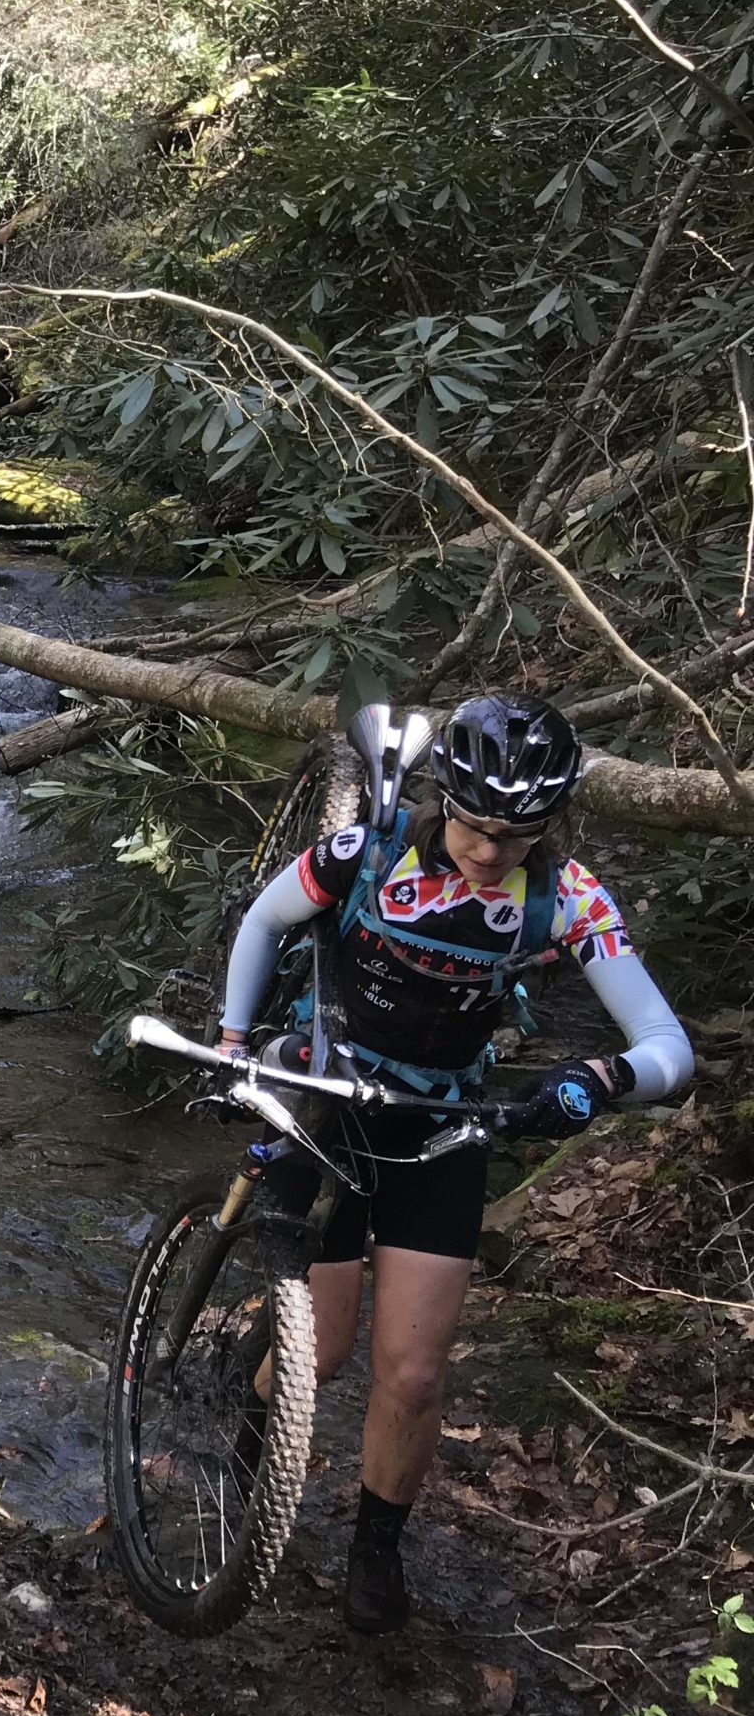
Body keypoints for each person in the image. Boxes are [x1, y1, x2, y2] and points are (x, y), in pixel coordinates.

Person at [215, 692, 693, 1634]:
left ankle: (375, 1551)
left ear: (552, 824)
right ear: (445, 801)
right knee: (329, 1347)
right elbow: (264, 924)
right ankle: (240, 1464)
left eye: (517, 837)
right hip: (329, 1101)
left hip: (444, 1123)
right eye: (475, 827)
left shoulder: (568, 899)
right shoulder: (365, 854)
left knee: (415, 1375)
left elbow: (667, 1047)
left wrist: (598, 1080)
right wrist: (235, 1042)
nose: (488, 853)